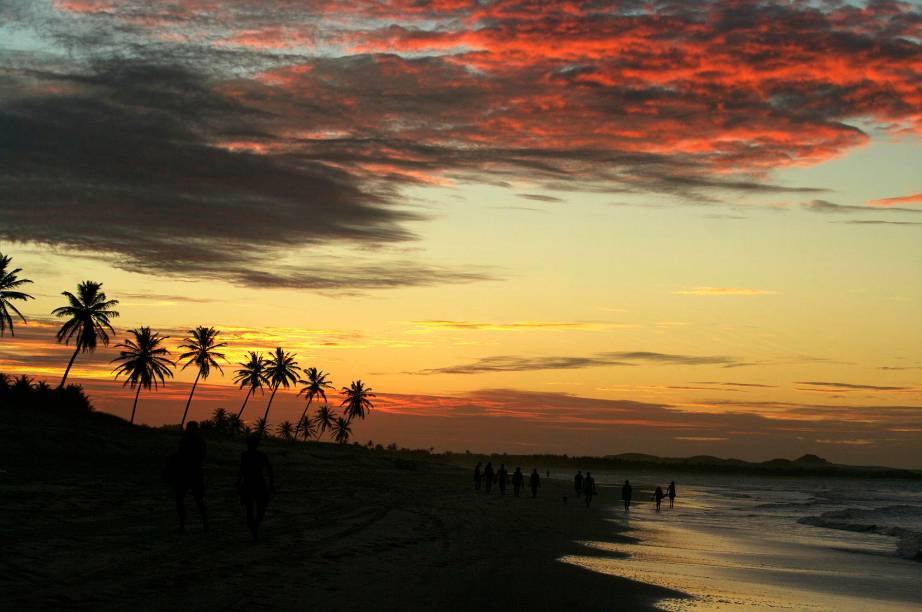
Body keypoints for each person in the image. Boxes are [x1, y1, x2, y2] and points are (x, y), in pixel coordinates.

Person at [171, 421, 207, 532]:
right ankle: (205, 523)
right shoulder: (200, 442)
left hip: (185, 473)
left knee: (181, 499)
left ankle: (183, 525)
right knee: (197, 500)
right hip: (194, 473)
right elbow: (203, 456)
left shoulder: (184, 441)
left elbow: (180, 456)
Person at [237, 434, 275, 541]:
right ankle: (255, 529)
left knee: (255, 510)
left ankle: (255, 528)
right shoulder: (249, 455)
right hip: (255, 484)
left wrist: (238, 482)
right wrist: (271, 485)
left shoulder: (257, 455)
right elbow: (242, 470)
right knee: (256, 510)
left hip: (253, 484)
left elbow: (241, 471)